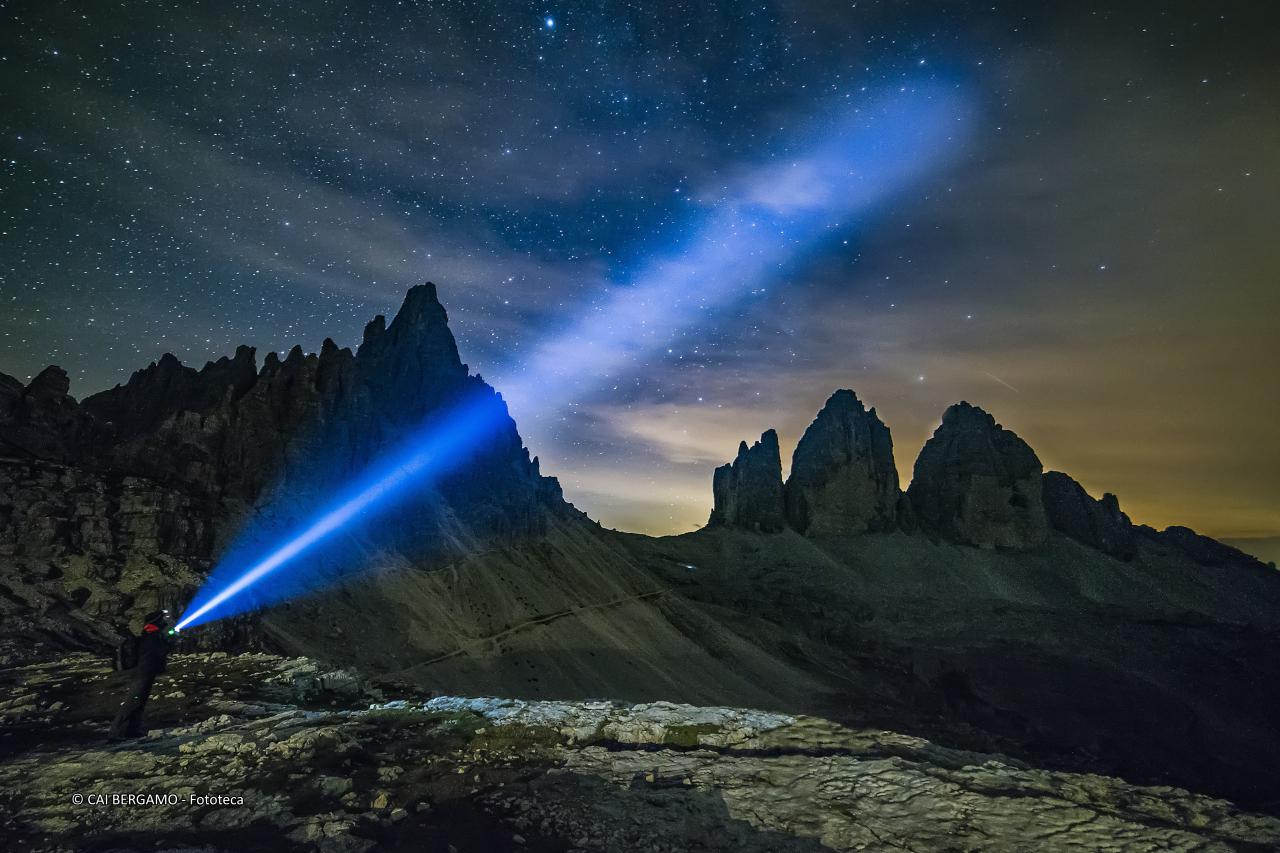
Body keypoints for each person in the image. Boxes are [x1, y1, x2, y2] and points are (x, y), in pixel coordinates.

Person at [109, 610, 172, 740]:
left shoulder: (151, 633)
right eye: (163, 619)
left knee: (139, 701)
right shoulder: (151, 634)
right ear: (157, 621)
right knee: (133, 701)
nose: (165, 621)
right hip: (143, 672)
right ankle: (116, 733)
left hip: (145, 671)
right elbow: (159, 651)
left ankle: (132, 730)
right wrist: (170, 639)